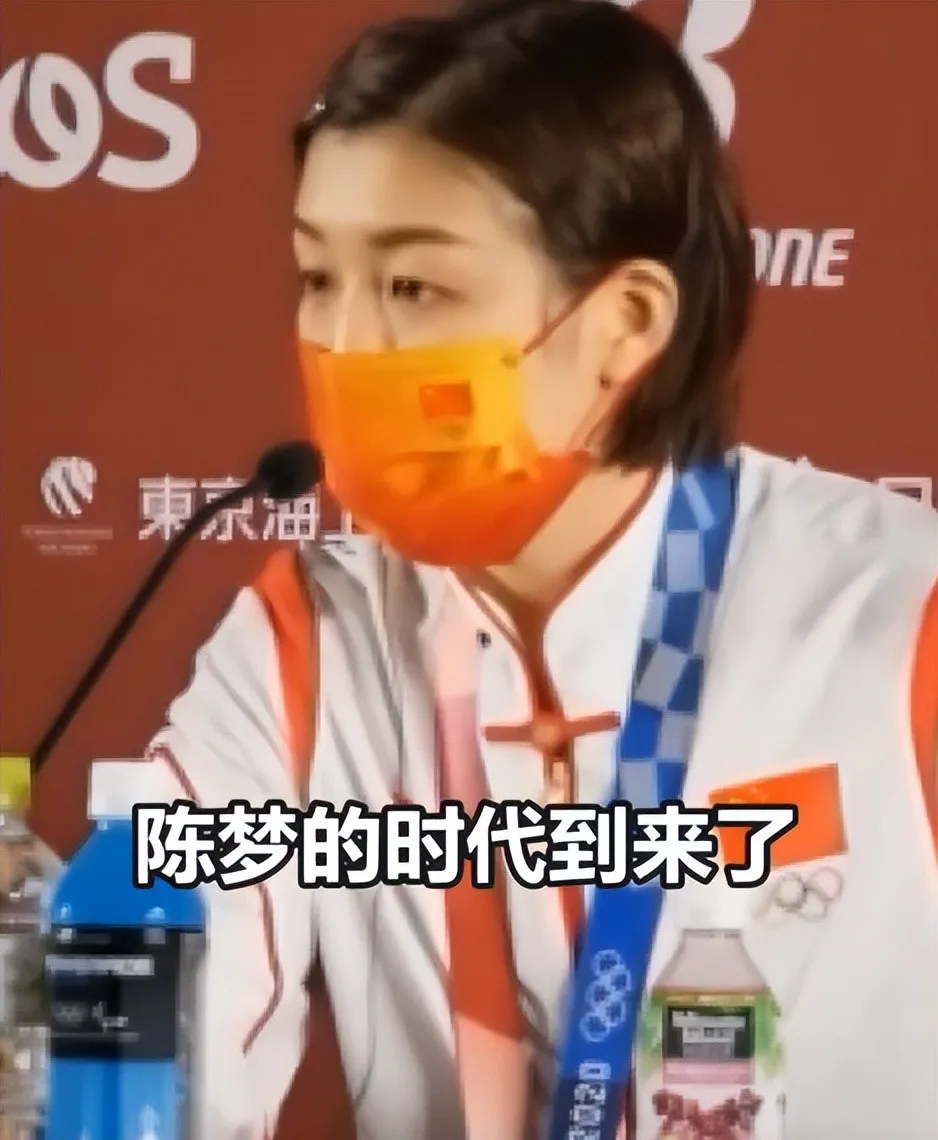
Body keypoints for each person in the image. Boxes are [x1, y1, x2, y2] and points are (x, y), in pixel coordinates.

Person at [134, 1, 938, 1138]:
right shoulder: (303, 640)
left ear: (626, 323)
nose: (346, 348)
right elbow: (144, 1046)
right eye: (317, 278)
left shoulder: (900, 612)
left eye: (415, 289)